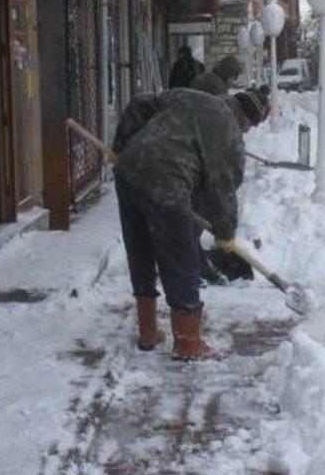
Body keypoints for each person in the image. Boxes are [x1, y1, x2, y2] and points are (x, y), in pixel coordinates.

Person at [112, 87, 270, 361]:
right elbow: (223, 188)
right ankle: (187, 342)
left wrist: (120, 148)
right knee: (180, 259)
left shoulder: (193, 96)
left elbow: (138, 104)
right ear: (246, 120)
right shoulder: (230, 133)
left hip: (128, 171)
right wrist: (226, 233)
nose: (245, 133)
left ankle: (148, 331)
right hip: (168, 184)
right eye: (248, 128)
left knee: (140, 250)